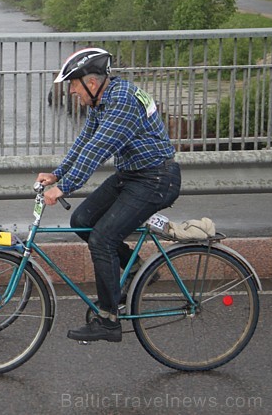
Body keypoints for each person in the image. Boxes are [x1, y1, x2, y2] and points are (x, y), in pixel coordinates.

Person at [36, 47, 181, 342]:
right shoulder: (102, 100)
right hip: (132, 175)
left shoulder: (122, 101)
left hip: (156, 179)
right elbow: (85, 141)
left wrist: (63, 188)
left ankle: (108, 320)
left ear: (91, 83)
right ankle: (136, 266)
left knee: (103, 239)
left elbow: (98, 149)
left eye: (74, 86)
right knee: (82, 219)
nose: (72, 92)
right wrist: (57, 173)